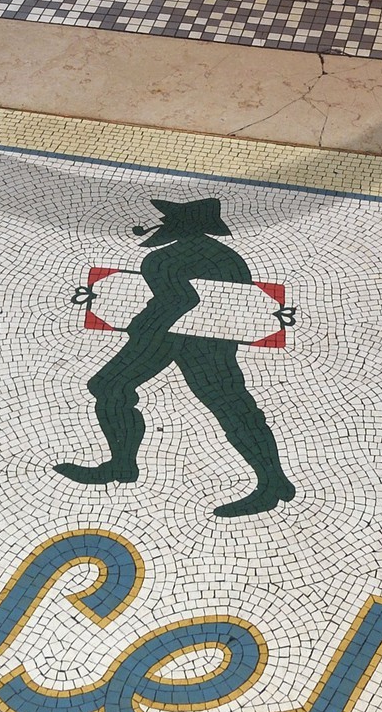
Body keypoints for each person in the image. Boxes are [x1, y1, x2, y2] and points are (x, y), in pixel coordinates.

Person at [55, 195, 295, 518]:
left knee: (111, 386)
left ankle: (271, 482)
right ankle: (273, 481)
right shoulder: (231, 259)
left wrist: (139, 325)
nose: (163, 223)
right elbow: (237, 306)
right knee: (232, 405)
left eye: (170, 219)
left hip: (172, 338)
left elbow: (181, 299)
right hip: (207, 340)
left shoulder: (161, 260)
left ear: (183, 225)